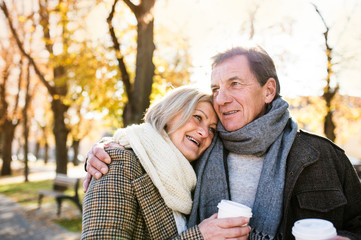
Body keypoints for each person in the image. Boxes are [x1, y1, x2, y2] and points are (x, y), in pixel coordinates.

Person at [84, 46, 361, 240]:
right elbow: (151, 149)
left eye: (235, 84)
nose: (221, 98)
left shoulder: (320, 155)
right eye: (216, 88)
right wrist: (105, 150)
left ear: (269, 90)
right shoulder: (199, 152)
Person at [81, 86, 251, 239]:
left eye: (212, 129)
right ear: (169, 113)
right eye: (198, 117)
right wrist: (199, 237)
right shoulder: (118, 163)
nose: (204, 132)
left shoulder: (188, 180)